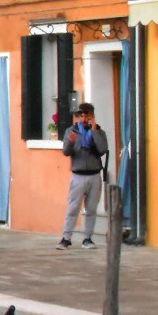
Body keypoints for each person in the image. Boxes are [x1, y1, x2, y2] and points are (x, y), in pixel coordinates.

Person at [59, 102, 110, 248]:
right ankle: (66, 237)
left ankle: (87, 238)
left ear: (92, 116)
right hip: (78, 175)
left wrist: (94, 131)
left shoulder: (99, 132)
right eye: (81, 115)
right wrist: (70, 142)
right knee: (73, 207)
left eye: (87, 115)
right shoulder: (71, 131)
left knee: (91, 209)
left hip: (94, 174)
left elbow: (102, 149)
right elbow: (66, 152)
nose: (84, 118)